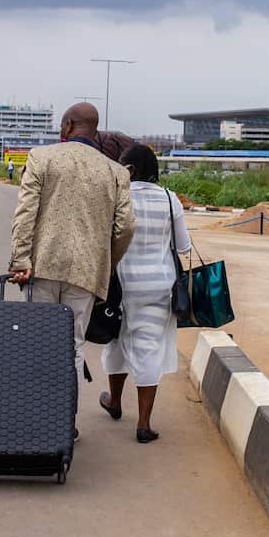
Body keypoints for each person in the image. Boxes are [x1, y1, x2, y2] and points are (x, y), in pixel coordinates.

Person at [9, 103, 134, 435]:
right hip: (86, 275)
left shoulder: (41, 158)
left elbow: (26, 215)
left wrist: (21, 261)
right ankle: (64, 424)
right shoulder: (116, 172)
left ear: (67, 125)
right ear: (94, 130)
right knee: (73, 346)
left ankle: (34, 422)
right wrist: (106, 264)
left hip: (41, 270)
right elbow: (125, 228)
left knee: (37, 344)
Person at [99, 143, 191, 443]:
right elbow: (183, 245)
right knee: (148, 347)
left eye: (121, 163)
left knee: (116, 340)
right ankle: (144, 423)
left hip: (121, 284)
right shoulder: (169, 199)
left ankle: (114, 401)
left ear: (132, 169)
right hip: (159, 285)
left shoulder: (117, 197)